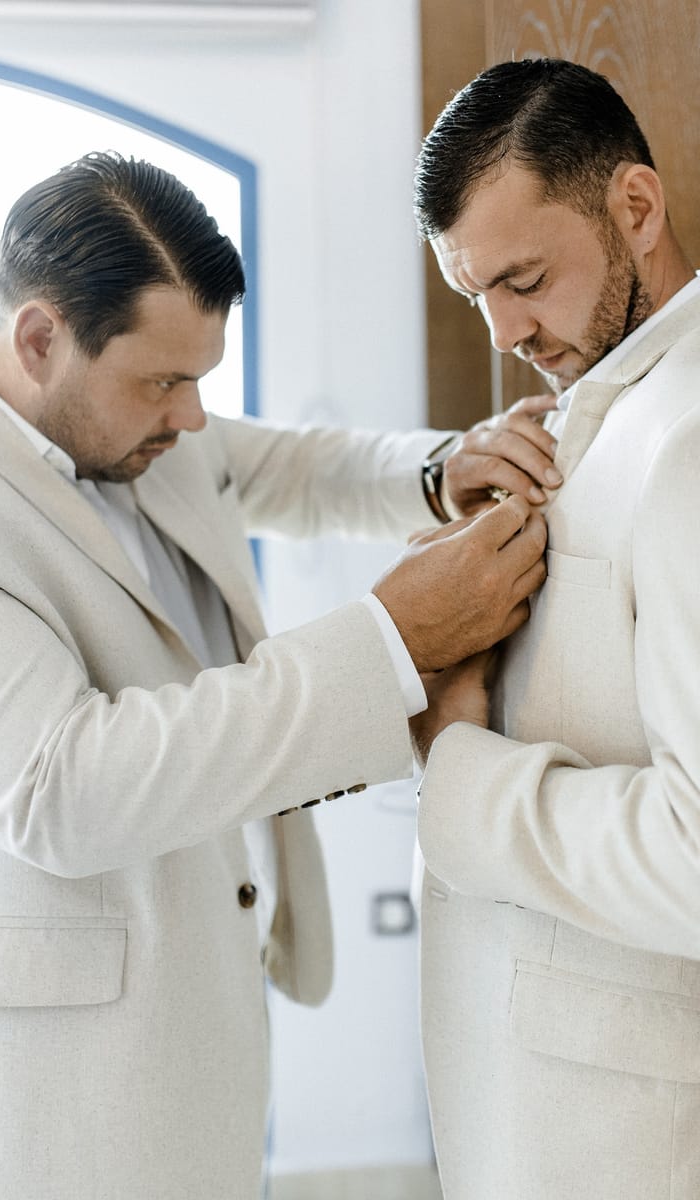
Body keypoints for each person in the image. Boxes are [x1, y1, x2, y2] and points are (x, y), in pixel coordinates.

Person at [0, 151, 551, 1200]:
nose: (192, 416)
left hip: (192, 1025)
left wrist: (438, 469)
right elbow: (66, 787)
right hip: (40, 1104)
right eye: (165, 382)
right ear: (37, 338)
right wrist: (389, 640)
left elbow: (275, 465)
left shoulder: (136, 424)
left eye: (200, 377)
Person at [411, 57, 700, 1200]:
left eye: (524, 279)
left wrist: (456, 765)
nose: (503, 332)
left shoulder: (687, 441)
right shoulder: (598, 406)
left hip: (622, 1133)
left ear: (634, 207)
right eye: (474, 295)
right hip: (540, 1097)